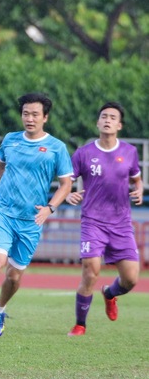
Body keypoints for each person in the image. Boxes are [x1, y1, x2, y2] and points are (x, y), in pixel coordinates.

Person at [0, 93, 73, 340]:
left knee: (14, 277)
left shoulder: (56, 148)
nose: (29, 118)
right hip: (3, 212)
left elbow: (66, 184)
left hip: (31, 220)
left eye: (35, 114)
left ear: (45, 118)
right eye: (26, 113)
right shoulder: (11, 140)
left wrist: (50, 208)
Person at [65, 102, 143, 336]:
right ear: (98, 122)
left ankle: (109, 294)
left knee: (130, 280)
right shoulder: (84, 153)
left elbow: (136, 178)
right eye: (104, 116)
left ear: (119, 125)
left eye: (112, 117)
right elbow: (66, 180)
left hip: (121, 223)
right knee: (91, 270)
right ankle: (80, 324)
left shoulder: (129, 152)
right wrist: (68, 192)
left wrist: (139, 189)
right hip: (93, 222)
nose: (107, 120)